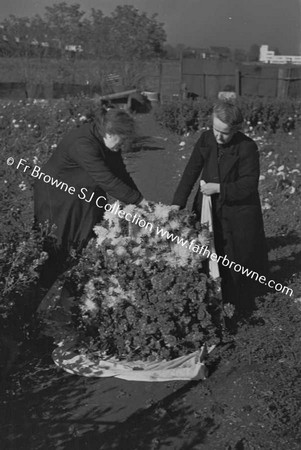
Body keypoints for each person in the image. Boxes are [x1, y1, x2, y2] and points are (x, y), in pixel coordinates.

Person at [172, 100, 268, 316]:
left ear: (235, 129)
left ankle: (239, 302)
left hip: (237, 211)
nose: (218, 137)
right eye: (216, 129)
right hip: (207, 206)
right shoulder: (206, 139)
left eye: (224, 133)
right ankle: (207, 295)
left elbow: (249, 185)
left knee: (235, 256)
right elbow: (191, 172)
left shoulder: (247, 147)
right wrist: (177, 203)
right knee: (206, 249)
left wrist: (220, 188)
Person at [34, 108, 148, 287]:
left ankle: (71, 283)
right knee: (56, 240)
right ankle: (41, 289)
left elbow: (120, 173)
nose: (124, 144)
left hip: (81, 192)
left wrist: (140, 200)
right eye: (123, 139)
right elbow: (107, 180)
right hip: (56, 195)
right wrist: (138, 201)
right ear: (110, 133)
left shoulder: (107, 141)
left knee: (84, 236)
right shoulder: (83, 144)